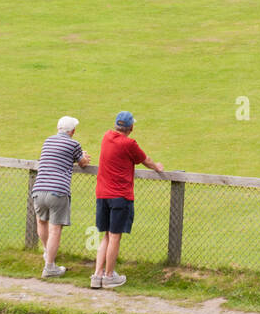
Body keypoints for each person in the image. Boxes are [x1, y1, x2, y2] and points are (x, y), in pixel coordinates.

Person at [91, 113, 164, 290]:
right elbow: (145, 160)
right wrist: (157, 167)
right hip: (120, 196)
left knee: (106, 235)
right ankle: (109, 276)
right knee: (115, 236)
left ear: (116, 125)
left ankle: (97, 275)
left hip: (102, 195)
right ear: (131, 128)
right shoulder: (129, 144)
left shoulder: (106, 137)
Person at [30, 116, 90, 279]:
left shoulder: (47, 141)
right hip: (58, 190)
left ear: (58, 128)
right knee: (55, 228)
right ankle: (50, 267)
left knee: (41, 222)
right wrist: (84, 156)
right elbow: (83, 163)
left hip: (39, 188)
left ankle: (47, 254)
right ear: (73, 131)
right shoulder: (73, 144)